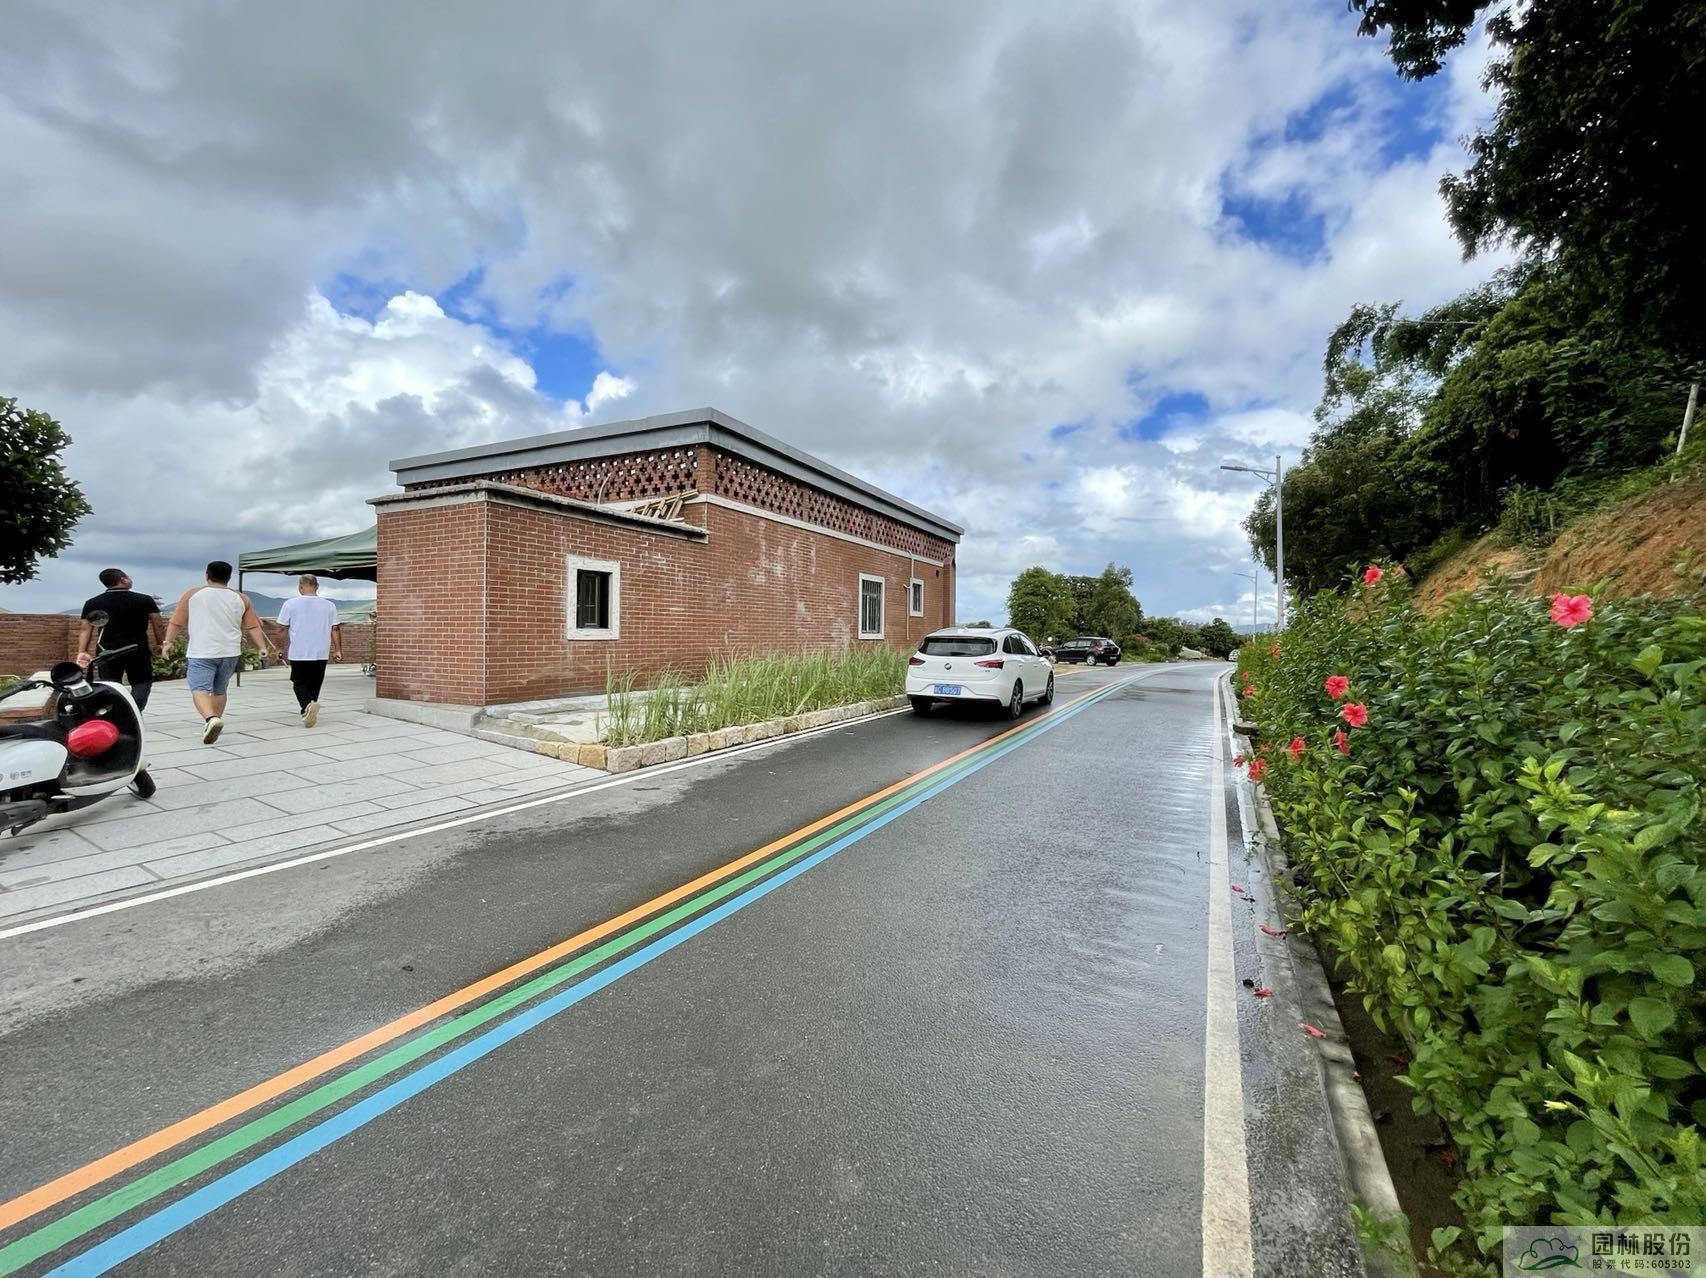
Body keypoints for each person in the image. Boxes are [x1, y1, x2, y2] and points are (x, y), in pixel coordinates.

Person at [162, 560, 274, 744]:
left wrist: (168, 643)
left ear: (207, 575)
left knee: (199, 689)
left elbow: (176, 622)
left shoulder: (192, 594)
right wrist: (262, 647)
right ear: (229, 577)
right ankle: (215, 721)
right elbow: (253, 626)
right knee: (219, 690)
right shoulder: (242, 598)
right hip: (230, 651)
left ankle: (211, 719)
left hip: (202, 651)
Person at [75, 568, 165, 710]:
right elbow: (158, 625)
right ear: (123, 580)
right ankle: (134, 710)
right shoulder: (144, 600)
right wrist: (162, 644)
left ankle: (115, 712)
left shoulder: (93, 603)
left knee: (110, 685)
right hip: (137, 649)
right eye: (128, 577)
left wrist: (82, 651)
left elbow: (85, 629)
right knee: (142, 682)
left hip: (106, 651)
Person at [275, 574, 342, 727]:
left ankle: (307, 706)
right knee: (315, 682)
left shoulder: (290, 604)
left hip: (299, 652)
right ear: (317, 586)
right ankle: (308, 711)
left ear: (300, 587)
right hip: (321, 651)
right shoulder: (329, 605)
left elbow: (281, 629)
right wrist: (338, 650)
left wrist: (279, 648)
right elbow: (335, 629)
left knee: (298, 682)